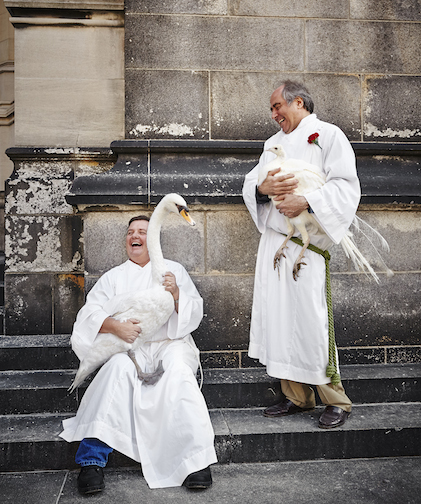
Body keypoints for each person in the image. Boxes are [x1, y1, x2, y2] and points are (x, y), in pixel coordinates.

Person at [60, 215, 217, 494]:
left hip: (171, 343)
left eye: (143, 231)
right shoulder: (114, 278)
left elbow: (194, 313)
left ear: (153, 238)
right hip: (130, 347)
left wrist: (178, 294)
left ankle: (195, 461)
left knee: (179, 371)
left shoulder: (173, 271)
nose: (136, 236)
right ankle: (92, 460)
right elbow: (88, 316)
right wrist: (116, 327)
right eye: (131, 232)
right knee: (116, 370)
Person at [243, 80, 360, 429]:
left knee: (311, 321)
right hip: (277, 243)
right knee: (278, 321)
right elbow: (252, 183)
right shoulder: (273, 144)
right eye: (272, 109)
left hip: (309, 248)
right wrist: (262, 189)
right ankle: (297, 396)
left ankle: (335, 399)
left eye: (278, 106)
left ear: (298, 102)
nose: (274, 114)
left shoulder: (328, 136)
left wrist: (306, 201)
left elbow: (346, 185)